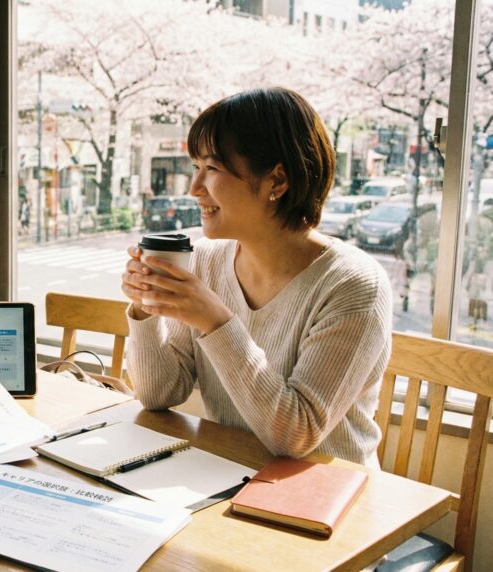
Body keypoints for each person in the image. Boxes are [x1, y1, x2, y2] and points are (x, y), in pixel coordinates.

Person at [120, 87, 391, 468]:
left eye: (212, 169)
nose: (195, 188)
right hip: (229, 474)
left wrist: (215, 321)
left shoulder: (353, 284)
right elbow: (159, 393)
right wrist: (146, 306)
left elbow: (295, 436)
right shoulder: (207, 261)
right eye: (195, 168)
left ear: (276, 181)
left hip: (325, 497)